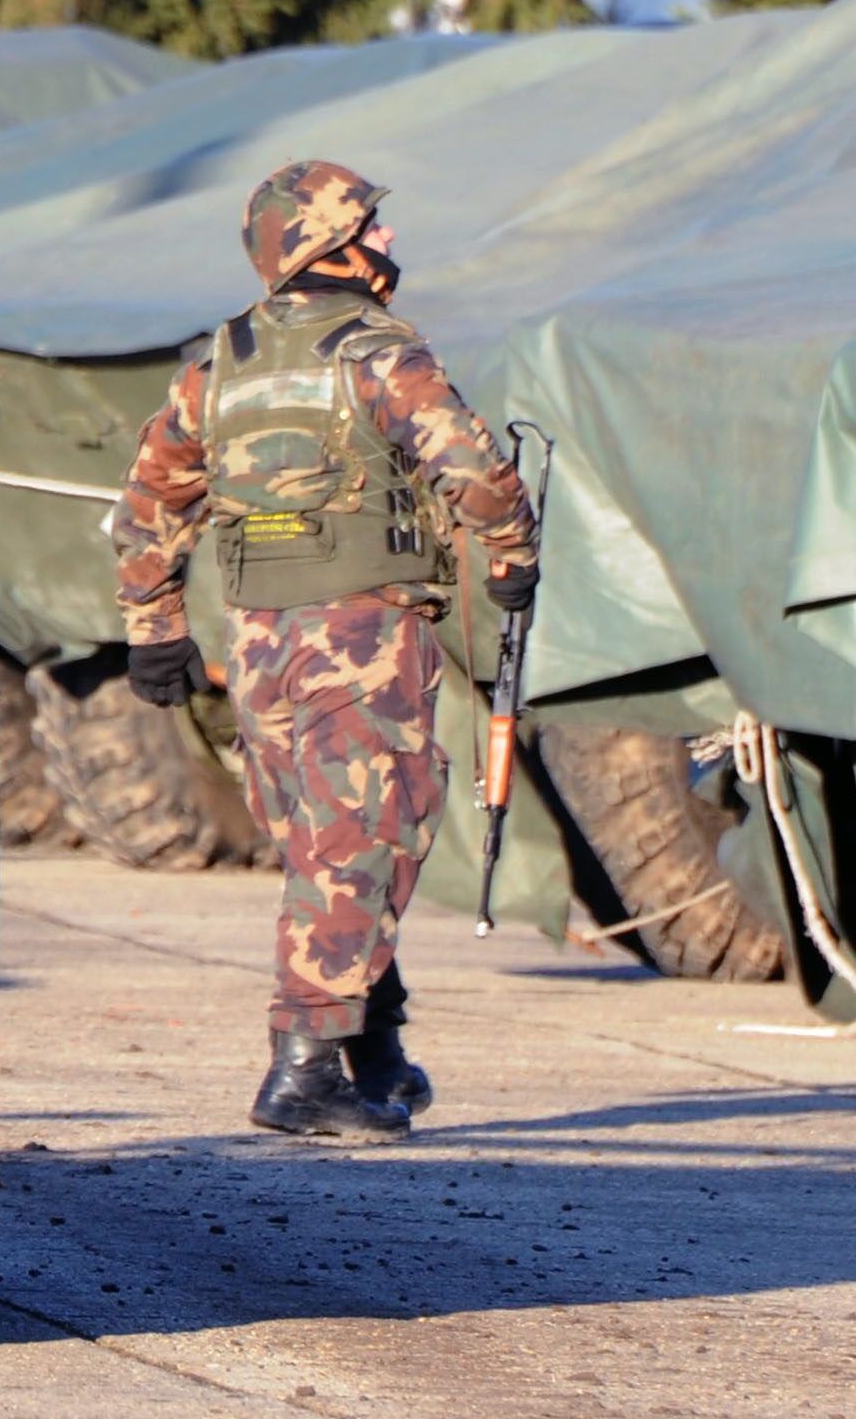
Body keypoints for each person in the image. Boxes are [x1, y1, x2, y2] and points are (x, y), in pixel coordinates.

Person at [110, 160, 536, 1142]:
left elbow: (149, 502)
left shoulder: (220, 360)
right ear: (325, 246)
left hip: (259, 640)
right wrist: (511, 559)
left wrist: (154, 627)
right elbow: (473, 474)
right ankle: (303, 1071)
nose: (387, 243)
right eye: (370, 227)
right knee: (357, 840)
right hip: (360, 633)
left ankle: (372, 1044)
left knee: (328, 840)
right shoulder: (380, 351)